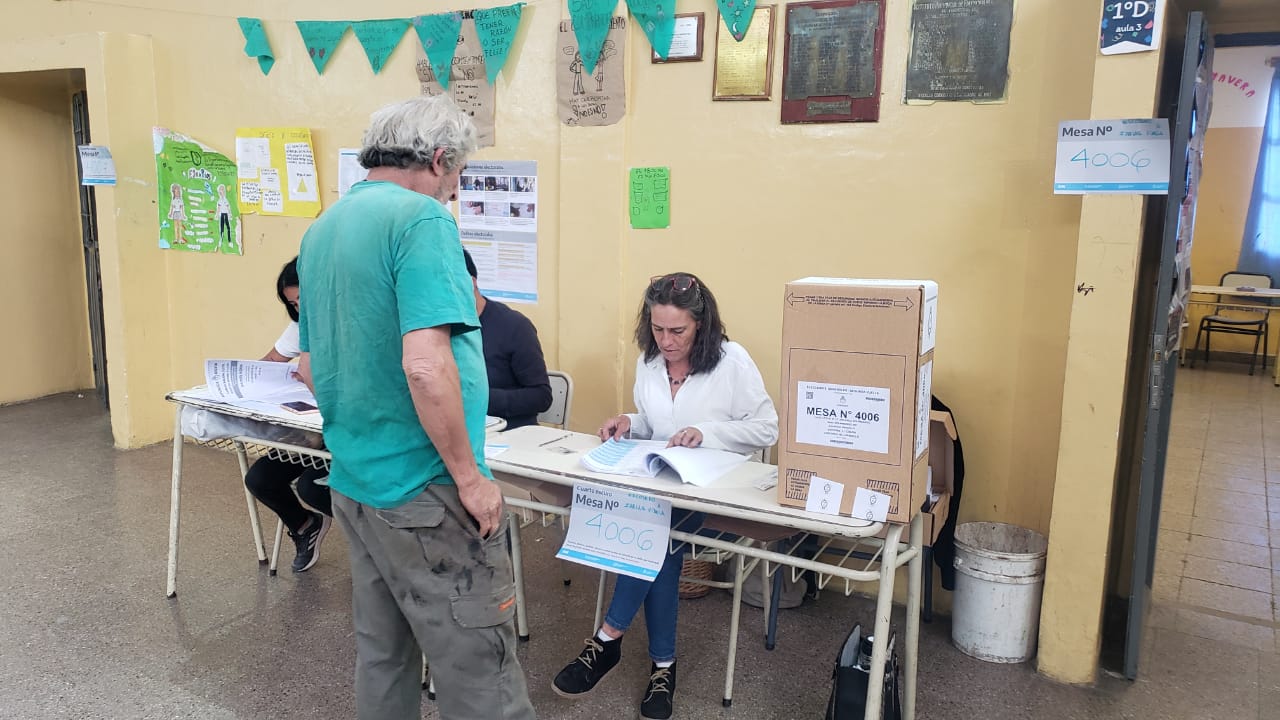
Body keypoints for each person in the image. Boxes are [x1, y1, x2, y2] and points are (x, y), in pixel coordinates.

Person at [295, 95, 536, 720]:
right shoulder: (422, 222)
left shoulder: (322, 230)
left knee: (383, 656)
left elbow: (310, 366)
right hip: (425, 493)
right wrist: (468, 479)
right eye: (456, 180)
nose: (453, 194)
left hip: (355, 485)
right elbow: (426, 364)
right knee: (481, 668)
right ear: (438, 160)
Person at [552, 271, 778, 720]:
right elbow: (654, 424)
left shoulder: (732, 361)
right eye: (657, 329)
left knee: (656, 531)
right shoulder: (650, 361)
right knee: (660, 533)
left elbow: (766, 426)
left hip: (714, 487)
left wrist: (706, 432)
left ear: (702, 324)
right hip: (662, 488)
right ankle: (663, 667)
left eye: (678, 331)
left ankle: (608, 639)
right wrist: (628, 423)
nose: (667, 341)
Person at [243, 257, 332, 573]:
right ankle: (305, 526)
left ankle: (375, 544)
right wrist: (235, 382)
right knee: (259, 479)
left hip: (343, 430)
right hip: (310, 427)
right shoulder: (300, 326)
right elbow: (270, 361)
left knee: (313, 485)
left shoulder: (348, 321)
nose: (299, 310)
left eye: (302, 301)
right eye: (293, 305)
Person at [463, 249, 552, 429]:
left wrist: (480, 398)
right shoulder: (437, 330)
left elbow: (541, 396)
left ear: (471, 283)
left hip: (508, 433)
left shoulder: (514, 326)